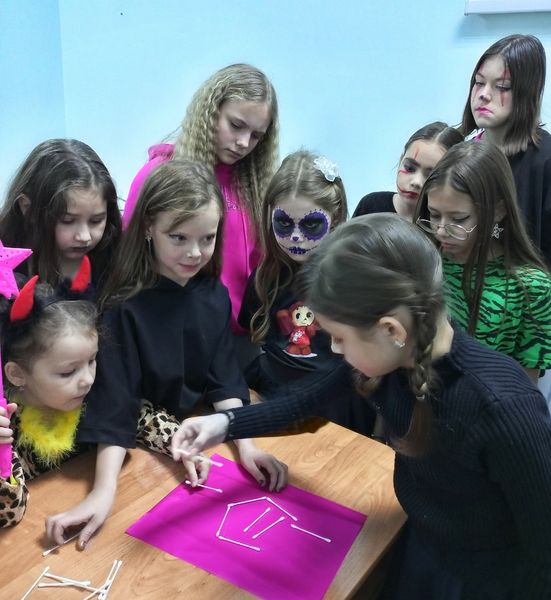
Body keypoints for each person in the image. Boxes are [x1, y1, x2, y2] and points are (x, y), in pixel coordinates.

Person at [172, 213, 551, 599]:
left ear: (391, 329)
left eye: (339, 338)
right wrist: (223, 424)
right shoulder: (394, 357)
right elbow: (304, 400)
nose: (336, 350)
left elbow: (544, 551)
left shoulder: (503, 408)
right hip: (417, 540)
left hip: (483, 581)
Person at [46, 160, 287, 548]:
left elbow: (225, 378)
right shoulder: (123, 307)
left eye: (207, 238)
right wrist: (103, 490)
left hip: (191, 441)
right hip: (135, 449)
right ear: (148, 227)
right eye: (178, 238)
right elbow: (117, 404)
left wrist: (247, 445)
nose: (194, 252)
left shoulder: (214, 296)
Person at [121, 64, 279, 347]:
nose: (243, 143)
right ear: (210, 112)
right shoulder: (158, 174)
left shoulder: (256, 185)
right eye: (236, 125)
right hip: (174, 336)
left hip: (241, 339)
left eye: (256, 135)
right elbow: (130, 259)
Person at [414, 140, 551, 382]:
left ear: (498, 211)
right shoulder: (420, 265)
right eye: (434, 215)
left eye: (458, 219)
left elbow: (524, 387)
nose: (442, 230)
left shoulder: (531, 287)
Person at [239, 150, 348, 394]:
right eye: (284, 223)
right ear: (270, 215)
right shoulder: (263, 279)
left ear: (335, 217)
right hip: (269, 387)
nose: (296, 236)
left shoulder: (350, 281)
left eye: (311, 224)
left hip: (329, 395)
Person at [459, 34, 551, 264]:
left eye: (502, 86)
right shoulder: (463, 154)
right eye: (479, 82)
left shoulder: (546, 161)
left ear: (526, 93)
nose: (483, 94)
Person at [0, 139, 121, 288]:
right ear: (27, 208)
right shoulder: (6, 274)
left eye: (96, 220)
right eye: (67, 221)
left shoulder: (120, 261)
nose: (85, 237)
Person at [354, 122, 462, 221]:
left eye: (431, 176)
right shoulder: (370, 205)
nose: (416, 182)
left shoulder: (442, 227)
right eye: (410, 168)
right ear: (401, 160)